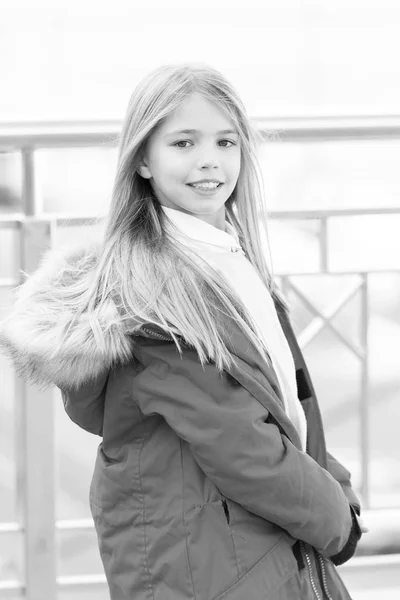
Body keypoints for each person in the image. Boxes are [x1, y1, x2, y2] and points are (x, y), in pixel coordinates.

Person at [0, 63, 366, 600]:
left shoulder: (225, 259)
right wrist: (337, 520)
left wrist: (336, 486)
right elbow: (240, 445)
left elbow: (287, 406)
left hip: (249, 540)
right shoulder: (155, 292)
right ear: (142, 160)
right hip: (206, 559)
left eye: (225, 141)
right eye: (183, 143)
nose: (209, 161)